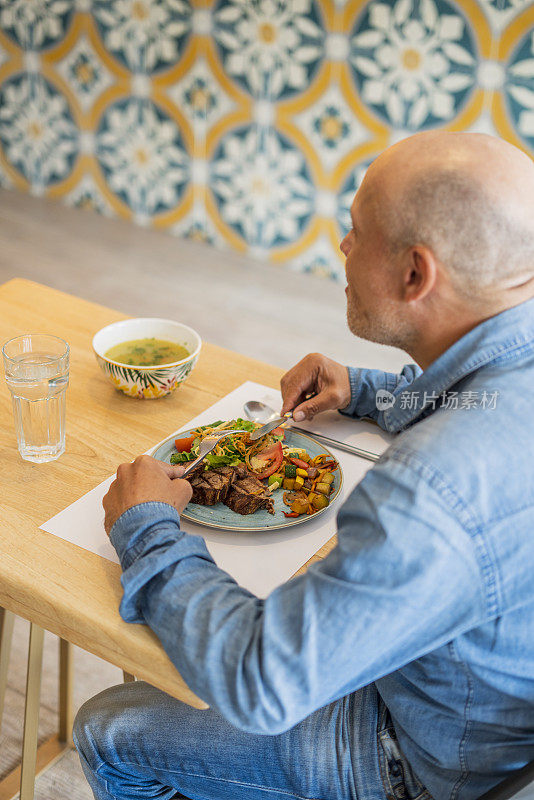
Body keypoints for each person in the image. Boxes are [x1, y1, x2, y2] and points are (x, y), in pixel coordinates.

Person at [73, 132, 534, 800]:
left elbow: (260, 684)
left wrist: (147, 527)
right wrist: (371, 391)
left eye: (354, 231)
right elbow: (481, 394)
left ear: (415, 274)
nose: (343, 247)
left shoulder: (429, 487)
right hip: (485, 704)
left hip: (431, 765)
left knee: (108, 728)